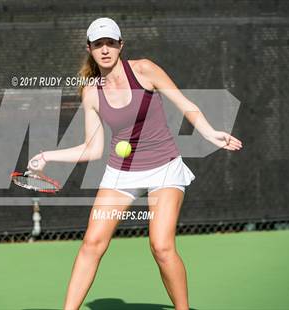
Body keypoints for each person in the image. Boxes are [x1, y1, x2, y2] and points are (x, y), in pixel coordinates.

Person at [28, 17, 243, 310]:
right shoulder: (91, 92)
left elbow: (184, 104)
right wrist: (48, 156)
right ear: (89, 48)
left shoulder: (144, 70)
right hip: (121, 174)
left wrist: (209, 133)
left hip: (164, 169)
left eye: (111, 43)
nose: (105, 50)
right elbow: (93, 148)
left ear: (120, 46)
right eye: (98, 44)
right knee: (92, 244)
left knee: (161, 246)